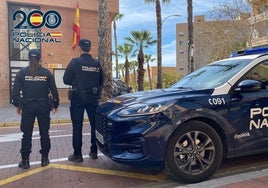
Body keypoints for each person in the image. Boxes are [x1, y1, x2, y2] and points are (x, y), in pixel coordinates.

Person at [11, 49, 59, 169]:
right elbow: (54, 91)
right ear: (40, 58)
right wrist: (55, 105)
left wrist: (18, 105)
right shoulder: (47, 73)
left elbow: (15, 93)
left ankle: (25, 161)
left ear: (28, 58)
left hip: (28, 107)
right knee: (44, 133)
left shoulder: (22, 73)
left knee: (27, 134)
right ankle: (44, 159)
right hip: (43, 106)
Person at [63, 39, 103, 161]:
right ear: (90, 48)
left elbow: (66, 79)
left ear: (80, 48)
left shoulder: (75, 62)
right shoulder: (96, 64)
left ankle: (77, 154)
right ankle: (94, 151)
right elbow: (101, 81)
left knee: (77, 126)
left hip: (77, 98)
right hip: (92, 98)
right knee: (94, 125)